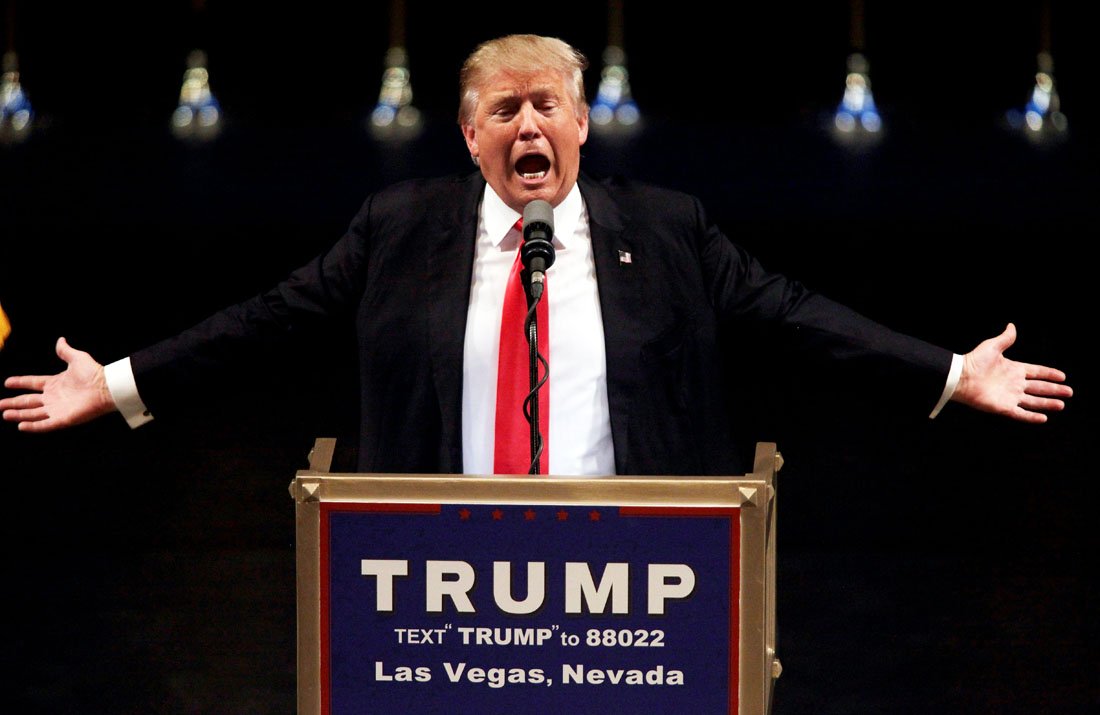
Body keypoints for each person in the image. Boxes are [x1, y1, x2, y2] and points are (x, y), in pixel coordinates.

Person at [0, 34, 1072, 477]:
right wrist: (122, 383)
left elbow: (797, 315)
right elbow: (265, 322)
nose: (528, 127)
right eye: (504, 109)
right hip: (444, 579)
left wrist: (947, 373)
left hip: (626, 571)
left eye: (546, 107)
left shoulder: (664, 226)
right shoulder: (396, 229)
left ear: (580, 126)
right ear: (468, 136)